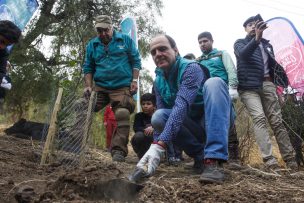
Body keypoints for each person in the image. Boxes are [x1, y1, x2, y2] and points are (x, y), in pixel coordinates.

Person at [135, 34, 232, 184]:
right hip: (191, 126)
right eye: (153, 52)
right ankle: (200, 157)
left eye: (162, 49)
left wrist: (160, 145)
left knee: (215, 83)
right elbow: (161, 119)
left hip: (214, 121)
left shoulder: (191, 68)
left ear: (175, 50)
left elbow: (181, 106)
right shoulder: (158, 81)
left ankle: (214, 160)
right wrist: (154, 147)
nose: (158, 54)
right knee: (158, 117)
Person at [234, 16, 298, 170]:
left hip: (268, 84)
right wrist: (256, 38)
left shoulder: (267, 45)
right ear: (245, 29)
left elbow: (273, 67)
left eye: (255, 24)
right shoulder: (240, 43)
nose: (253, 27)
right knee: (259, 118)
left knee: (277, 121)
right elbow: (243, 55)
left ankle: (290, 160)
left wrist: (279, 89)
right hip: (248, 87)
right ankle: (270, 160)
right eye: (249, 25)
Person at [83, 15, 142, 162]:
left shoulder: (125, 40)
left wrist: (134, 80)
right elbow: (88, 67)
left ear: (112, 27)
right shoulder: (92, 45)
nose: (103, 34)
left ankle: (118, 151)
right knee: (82, 106)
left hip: (121, 86)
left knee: (122, 113)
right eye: (99, 31)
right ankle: (75, 143)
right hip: (100, 87)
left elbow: (136, 61)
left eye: (106, 30)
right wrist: (89, 86)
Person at [197, 31, 240, 163]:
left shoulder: (222, 54)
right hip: (205, 96)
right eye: (200, 42)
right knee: (205, 122)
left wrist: (232, 87)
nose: (202, 44)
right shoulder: (198, 60)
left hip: (222, 92)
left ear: (212, 41)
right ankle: (207, 156)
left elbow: (231, 70)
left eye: (205, 41)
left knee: (228, 119)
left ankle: (233, 158)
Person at [0, 20, 21, 104]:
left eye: (6, 45)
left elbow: (1, 73)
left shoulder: (3, 52)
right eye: (1, 41)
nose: (2, 46)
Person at [131, 93, 156, 159]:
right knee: (139, 135)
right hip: (143, 139)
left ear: (154, 106)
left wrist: (154, 128)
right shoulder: (139, 116)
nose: (145, 106)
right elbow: (136, 128)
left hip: (155, 140)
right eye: (143, 104)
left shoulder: (158, 116)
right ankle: (142, 154)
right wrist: (145, 129)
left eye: (148, 104)